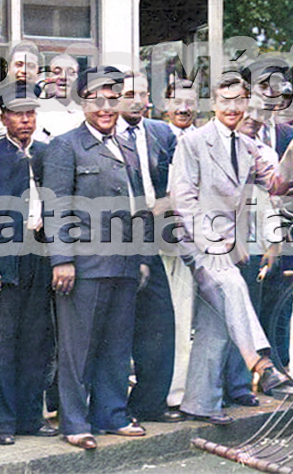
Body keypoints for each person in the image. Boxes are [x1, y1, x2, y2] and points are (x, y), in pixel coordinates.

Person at [170, 74, 293, 424]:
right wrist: (210, 245)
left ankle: (200, 403)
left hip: (227, 247)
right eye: (225, 101)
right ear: (213, 104)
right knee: (233, 287)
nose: (232, 108)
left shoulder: (246, 146)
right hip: (196, 242)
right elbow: (182, 200)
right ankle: (261, 364)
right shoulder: (193, 142)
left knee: (217, 322)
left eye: (239, 101)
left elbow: (278, 185)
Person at [42, 66, 150, 450]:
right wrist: (61, 260)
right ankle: (73, 422)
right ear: (83, 102)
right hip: (84, 266)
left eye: (113, 99)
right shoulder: (65, 145)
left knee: (117, 346)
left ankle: (112, 414)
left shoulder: (126, 145)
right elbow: (55, 207)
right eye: (97, 100)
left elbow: (136, 206)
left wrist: (139, 258)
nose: (106, 108)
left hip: (122, 263)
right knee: (77, 349)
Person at [0, 85, 57, 446]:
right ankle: (2, 423)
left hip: (39, 258)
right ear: (3, 117)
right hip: (3, 261)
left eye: (31, 113)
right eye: (18, 114)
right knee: (1, 344)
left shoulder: (48, 153)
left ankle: (30, 418)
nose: (26, 120)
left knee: (36, 341)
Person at [117, 73, 184, 424]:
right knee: (116, 327)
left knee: (160, 322)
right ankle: (110, 408)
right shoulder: (107, 134)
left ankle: (149, 403)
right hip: (115, 236)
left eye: (143, 94)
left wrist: (167, 200)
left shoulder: (161, 132)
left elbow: (183, 176)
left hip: (153, 238)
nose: (138, 100)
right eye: (130, 94)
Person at [158, 78, 201, 411]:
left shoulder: (203, 140)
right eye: (177, 102)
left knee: (189, 320)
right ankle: (159, 392)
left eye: (190, 102)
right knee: (165, 321)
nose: (184, 109)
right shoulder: (155, 138)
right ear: (163, 105)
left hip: (198, 241)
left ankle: (180, 393)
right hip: (161, 242)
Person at [35, 53, 84, 140]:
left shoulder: (86, 112)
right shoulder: (34, 112)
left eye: (71, 73)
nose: (63, 77)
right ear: (47, 78)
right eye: (57, 72)